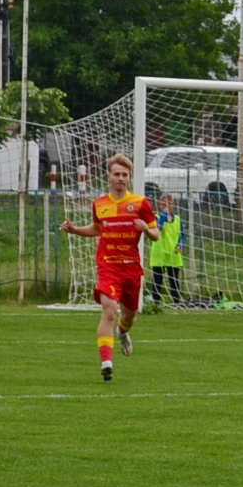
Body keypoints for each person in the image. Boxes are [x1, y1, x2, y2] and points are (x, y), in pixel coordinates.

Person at [59, 153, 160, 381]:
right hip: (108, 266)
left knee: (129, 316)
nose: (120, 178)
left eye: (124, 174)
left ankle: (123, 332)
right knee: (109, 311)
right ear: (109, 177)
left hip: (131, 268)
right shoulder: (100, 204)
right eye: (117, 174)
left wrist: (146, 229)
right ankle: (106, 362)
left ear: (129, 177)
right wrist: (75, 230)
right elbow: (97, 229)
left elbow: (156, 234)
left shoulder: (140, 203)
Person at [149, 193, 185, 305]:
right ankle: (156, 302)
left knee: (174, 280)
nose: (167, 206)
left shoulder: (178, 219)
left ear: (173, 205)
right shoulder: (156, 217)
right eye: (164, 204)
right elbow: (157, 229)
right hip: (159, 253)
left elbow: (183, 235)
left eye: (169, 204)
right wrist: (164, 216)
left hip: (173, 254)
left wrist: (180, 244)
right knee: (157, 280)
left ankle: (176, 302)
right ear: (160, 205)